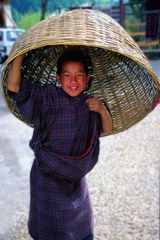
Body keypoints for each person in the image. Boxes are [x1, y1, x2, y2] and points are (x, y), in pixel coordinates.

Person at [7, 49, 112, 240]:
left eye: (79, 75)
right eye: (67, 75)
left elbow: (107, 128)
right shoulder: (47, 98)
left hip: (75, 180)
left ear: (87, 78)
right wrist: (19, 54)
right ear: (58, 78)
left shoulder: (90, 104)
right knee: (50, 229)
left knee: (83, 230)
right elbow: (14, 87)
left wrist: (102, 109)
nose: (73, 81)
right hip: (47, 181)